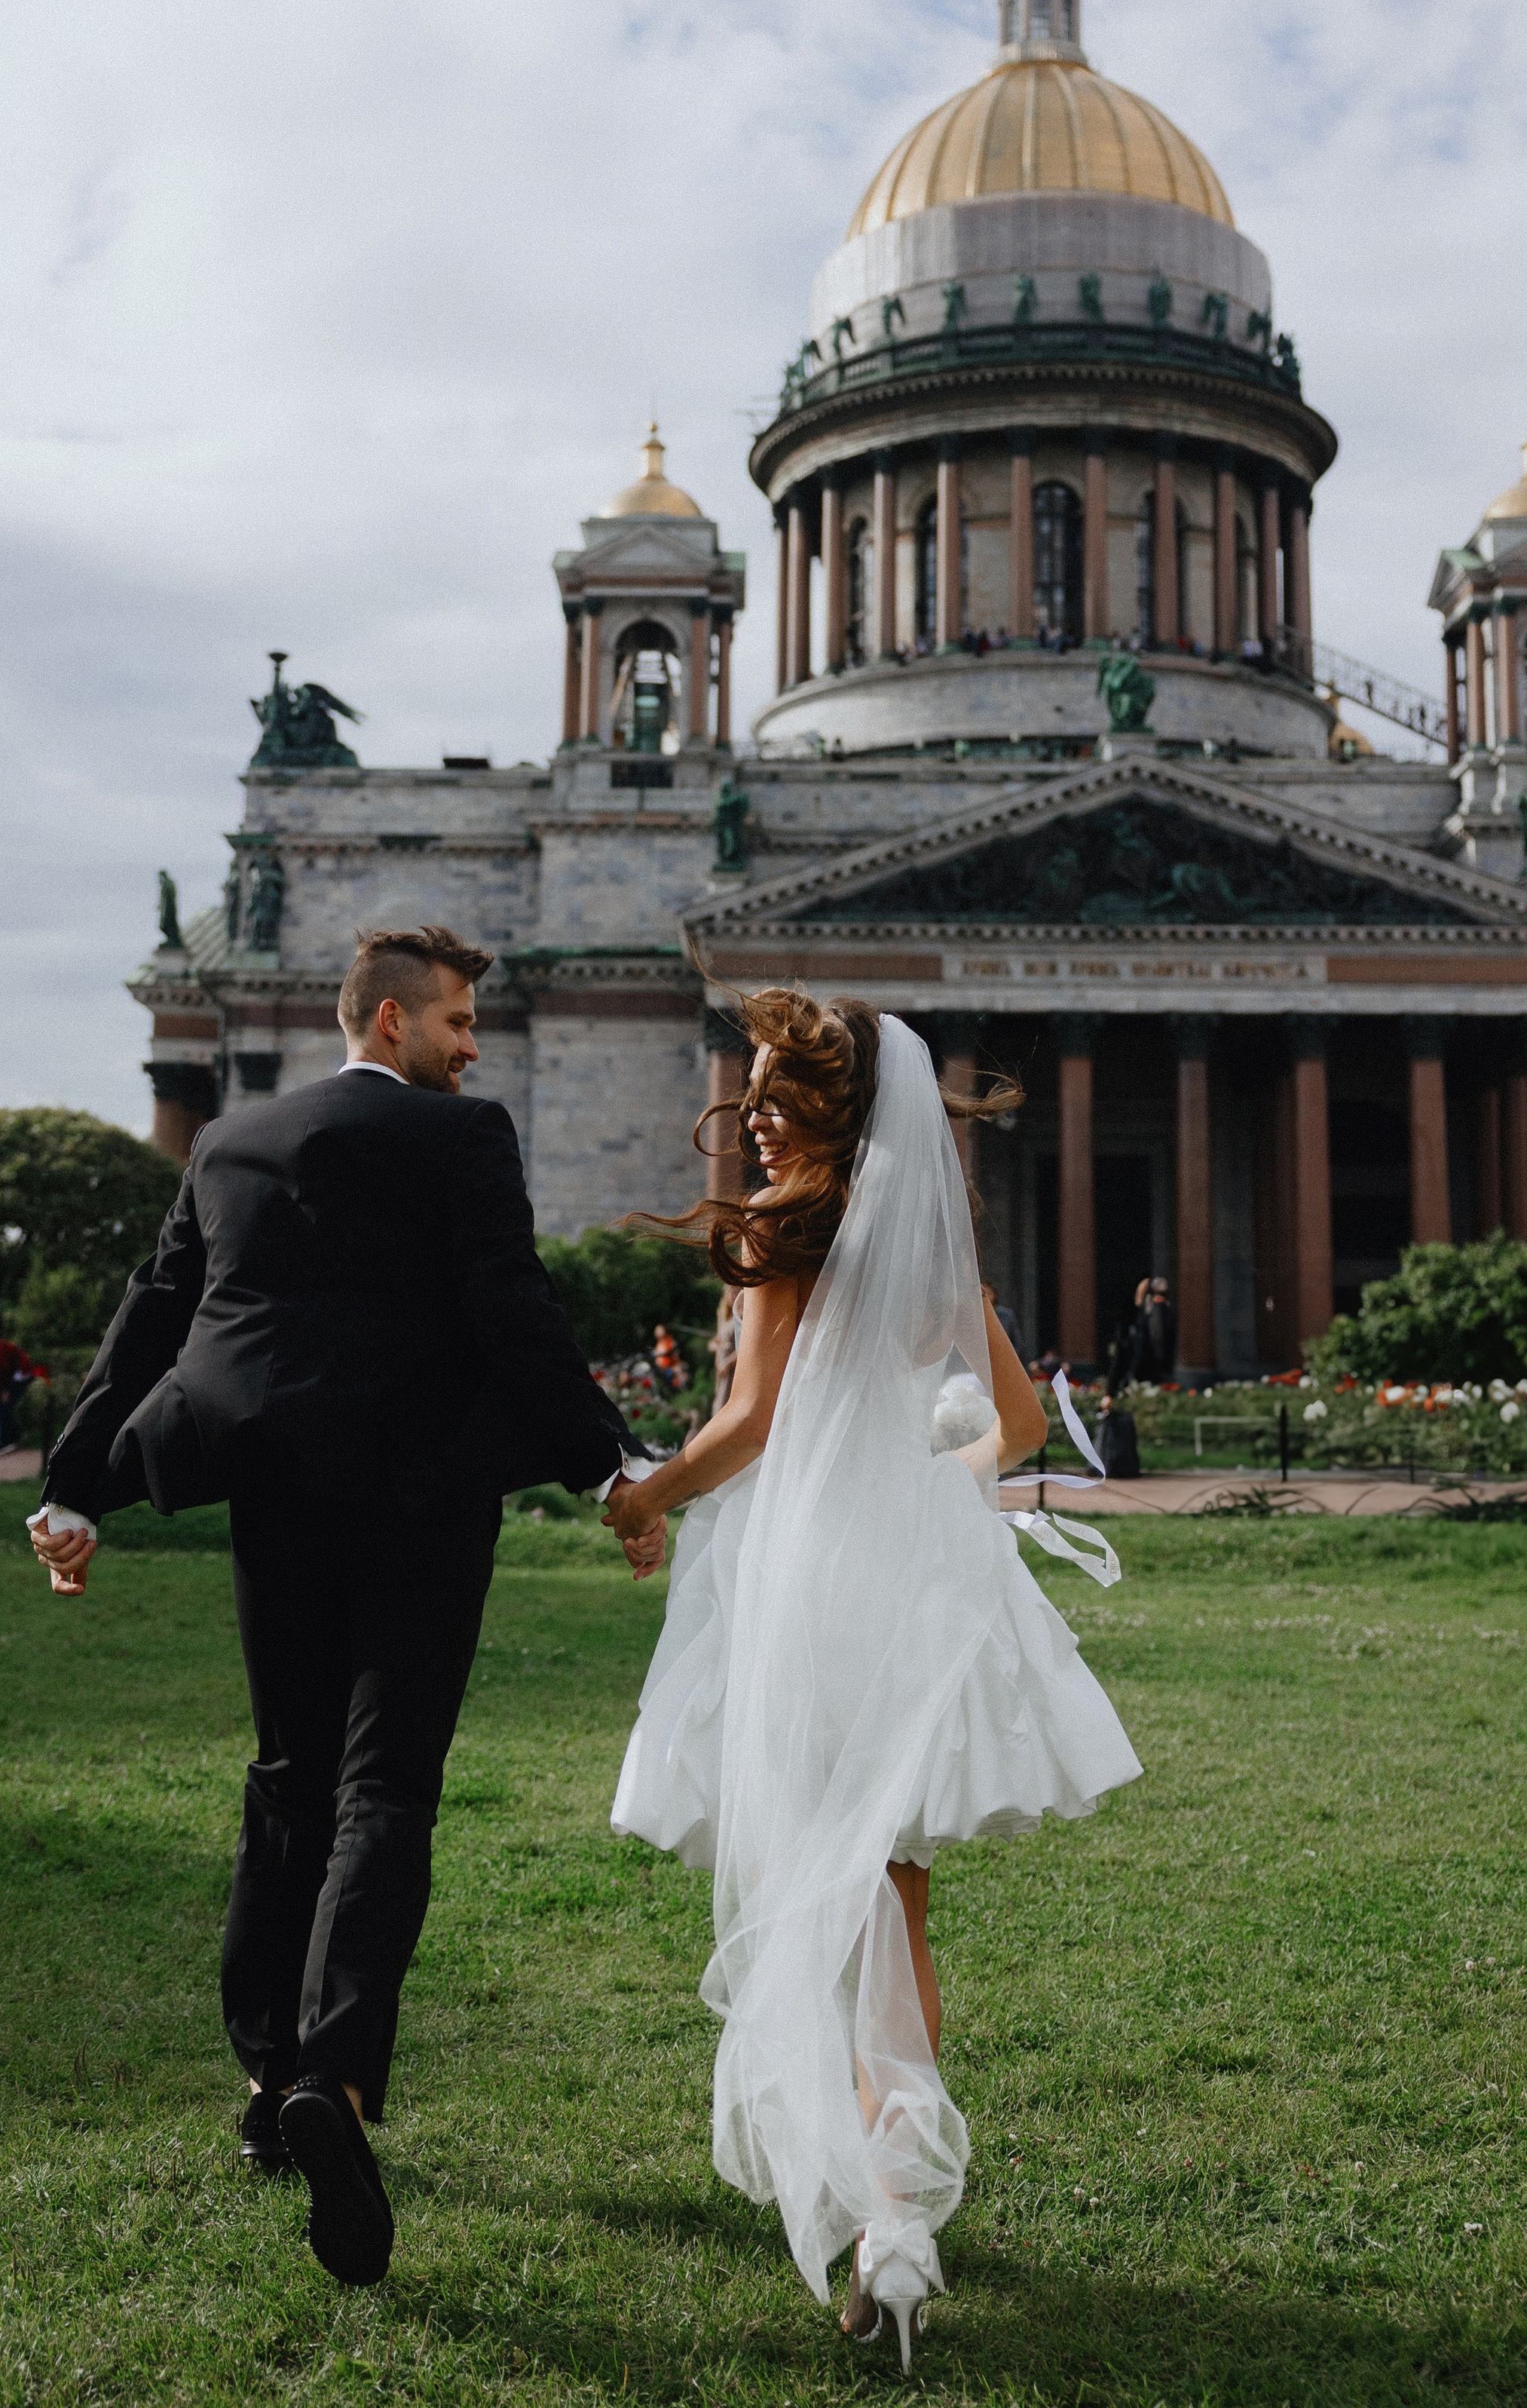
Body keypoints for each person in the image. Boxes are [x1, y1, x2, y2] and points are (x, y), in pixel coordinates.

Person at [26, 924, 655, 2288]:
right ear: (386, 1016)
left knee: (285, 1778)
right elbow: (511, 1310)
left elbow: (157, 1315)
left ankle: (265, 2086)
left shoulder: (232, 1142)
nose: (474, 1044)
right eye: (456, 1022)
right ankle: (336, 2077)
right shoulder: (464, 1139)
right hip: (424, 1512)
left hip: (275, 1501)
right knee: (388, 1794)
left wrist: (74, 1485)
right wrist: (615, 1464)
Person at [603, 992, 1140, 2364]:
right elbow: (1018, 1426)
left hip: (806, 1578)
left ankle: (871, 2202)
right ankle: (895, 2211)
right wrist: (936, 1496)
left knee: (809, 1886)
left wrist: (645, 1494)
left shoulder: (788, 1230)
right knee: (887, 1882)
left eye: (782, 1092)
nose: (760, 1107)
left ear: (838, 1110)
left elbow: (756, 1421)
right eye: (761, 1086)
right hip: (908, 1570)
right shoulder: (925, 1246)